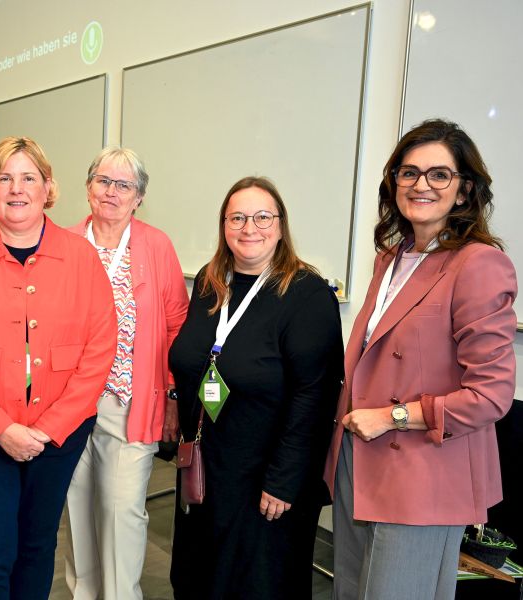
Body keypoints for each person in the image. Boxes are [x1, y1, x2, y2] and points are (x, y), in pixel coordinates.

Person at [325, 119, 518, 600]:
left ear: (464, 189)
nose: (421, 185)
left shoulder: (478, 263)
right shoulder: (390, 258)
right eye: (408, 173)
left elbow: (490, 395)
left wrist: (393, 417)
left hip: (424, 472)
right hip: (359, 460)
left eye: (439, 174)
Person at [0, 136, 116, 600]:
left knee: (36, 547)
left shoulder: (82, 257)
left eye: (28, 177)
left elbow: (99, 352)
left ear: (48, 188)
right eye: (4, 179)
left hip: (57, 436)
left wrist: (50, 428)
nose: (17, 189)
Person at [168, 176, 344, 599]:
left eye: (263, 216)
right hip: (207, 468)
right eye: (238, 217)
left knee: (255, 583)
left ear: (281, 226)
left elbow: (315, 398)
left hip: (266, 479)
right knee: (198, 579)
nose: (250, 228)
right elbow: (195, 363)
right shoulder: (212, 285)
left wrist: (284, 481)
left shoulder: (307, 294)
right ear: (224, 226)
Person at [64, 147, 188, 600]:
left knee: (122, 510)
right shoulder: (66, 241)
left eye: (123, 185)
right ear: (88, 186)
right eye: (103, 180)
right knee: (78, 507)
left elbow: (177, 325)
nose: (111, 192)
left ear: (139, 197)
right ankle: (83, 594)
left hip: (130, 402)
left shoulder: (156, 245)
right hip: (69, 404)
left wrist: (173, 394)